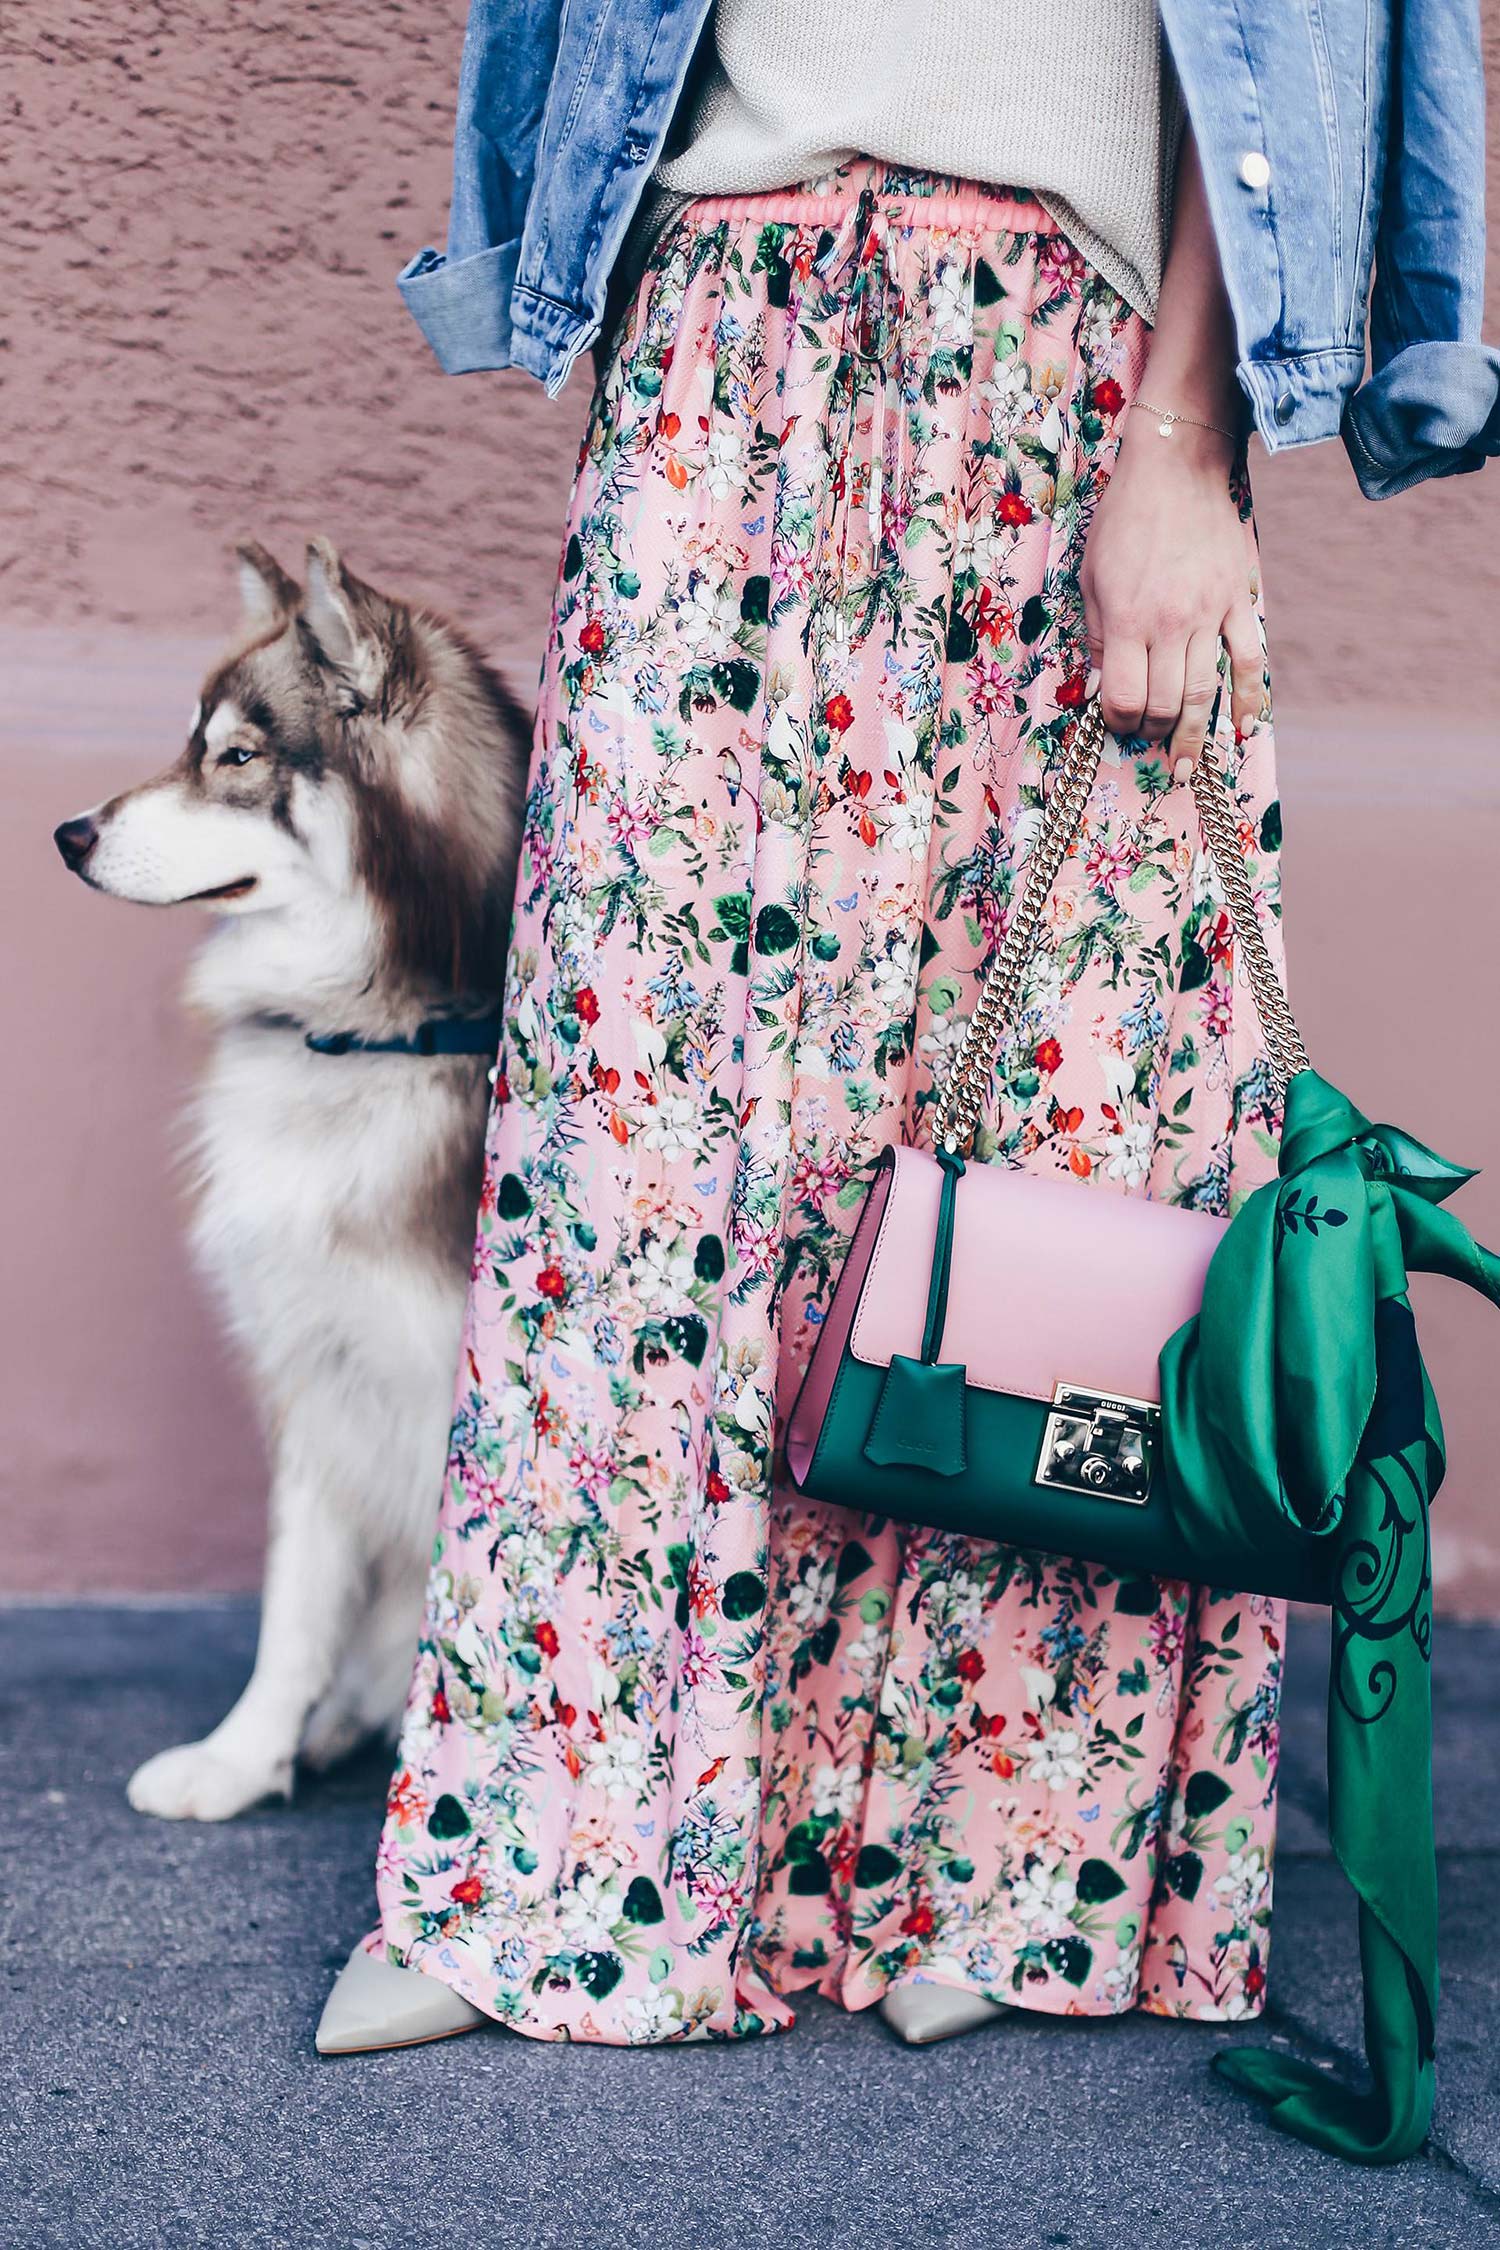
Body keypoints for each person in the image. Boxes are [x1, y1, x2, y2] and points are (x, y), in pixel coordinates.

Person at [317, 0, 1497, 2054]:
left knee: (1057, 1124)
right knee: (637, 1137)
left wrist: (1184, 447)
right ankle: (551, 1857)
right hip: (715, 323)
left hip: (1070, 353)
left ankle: (1001, 1871)